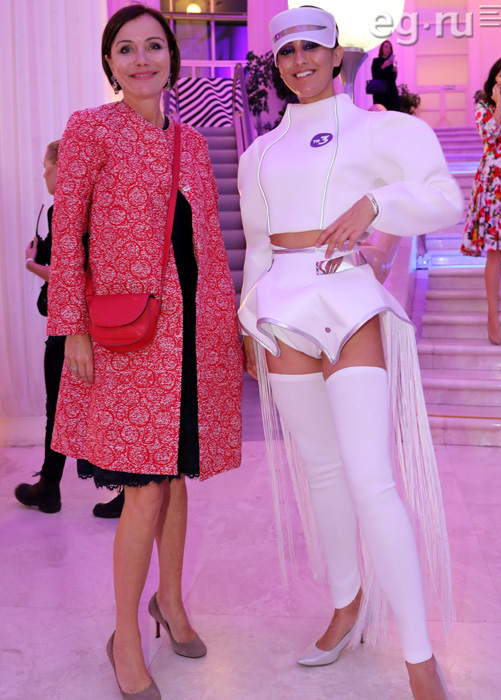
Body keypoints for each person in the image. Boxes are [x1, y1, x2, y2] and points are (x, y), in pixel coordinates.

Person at [239, 7, 463, 700]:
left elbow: (446, 199)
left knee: (371, 478)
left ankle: (419, 655)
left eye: (312, 48)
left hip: (348, 298)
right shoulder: (258, 155)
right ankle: (346, 605)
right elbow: (257, 246)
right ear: (275, 65)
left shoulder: (384, 129)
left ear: (337, 55)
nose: (299, 61)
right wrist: (248, 322)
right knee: (321, 471)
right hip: (282, 308)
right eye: (286, 52)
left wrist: (375, 204)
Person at [47, 5, 242, 698]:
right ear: (109, 62)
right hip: (130, 336)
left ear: (171, 59)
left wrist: (229, 329)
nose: (141, 60)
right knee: (144, 487)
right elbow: (67, 231)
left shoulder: (193, 142)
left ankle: (171, 603)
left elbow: (207, 244)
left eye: (153, 46)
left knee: (176, 476)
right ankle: (124, 638)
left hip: (194, 335)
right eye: (125, 49)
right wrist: (71, 326)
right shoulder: (90, 129)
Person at [15, 141, 124, 518]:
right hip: (99, 322)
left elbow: (70, 276)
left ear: (61, 166)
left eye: (46, 167)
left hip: (72, 325)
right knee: (97, 407)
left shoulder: (67, 209)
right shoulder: (96, 206)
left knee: (59, 408)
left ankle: (50, 487)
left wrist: (31, 264)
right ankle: (121, 491)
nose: (44, 175)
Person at [461, 55, 501, 345]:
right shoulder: (485, 107)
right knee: (496, 252)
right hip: (494, 185)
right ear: (494, 79)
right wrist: (499, 104)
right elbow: (489, 137)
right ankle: (493, 315)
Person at [371, 39, 400, 111]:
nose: (388, 49)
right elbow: (375, 75)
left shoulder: (391, 62)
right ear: (382, 49)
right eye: (386, 47)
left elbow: (393, 79)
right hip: (380, 93)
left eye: (390, 48)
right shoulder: (376, 61)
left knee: (393, 112)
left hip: (391, 92)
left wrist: (395, 71)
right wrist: (383, 66)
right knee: (381, 112)